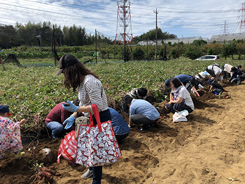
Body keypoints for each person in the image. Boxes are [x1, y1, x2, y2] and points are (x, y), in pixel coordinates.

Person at [56, 54, 111, 184]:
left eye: (64, 72)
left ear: (71, 70)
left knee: (95, 150)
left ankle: (96, 180)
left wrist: (76, 109)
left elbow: (97, 107)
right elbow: (83, 104)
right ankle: (91, 169)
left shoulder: (89, 82)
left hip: (99, 118)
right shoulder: (81, 83)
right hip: (87, 116)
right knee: (85, 143)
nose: (64, 76)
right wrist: (73, 116)